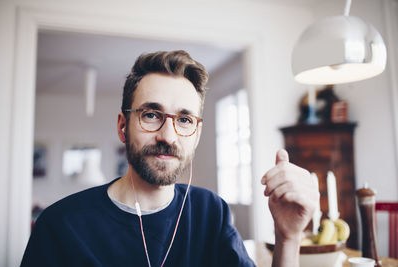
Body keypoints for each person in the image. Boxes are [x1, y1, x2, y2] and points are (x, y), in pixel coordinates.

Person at [21, 50, 319, 267]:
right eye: (151, 115)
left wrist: (288, 236)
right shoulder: (60, 226)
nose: (169, 135)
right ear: (123, 127)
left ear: (197, 134)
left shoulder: (209, 213)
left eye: (185, 120)